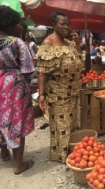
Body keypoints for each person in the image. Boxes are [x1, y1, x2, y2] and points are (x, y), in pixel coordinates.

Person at [35, 11, 84, 163]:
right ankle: (61, 156)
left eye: (67, 23)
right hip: (58, 93)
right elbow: (42, 73)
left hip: (73, 91)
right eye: (62, 23)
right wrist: (41, 95)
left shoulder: (69, 43)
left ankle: (71, 153)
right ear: (53, 25)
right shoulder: (48, 43)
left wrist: (77, 44)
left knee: (72, 123)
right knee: (61, 125)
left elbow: (80, 61)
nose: (66, 27)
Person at [0, 5, 35, 174]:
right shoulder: (16, 42)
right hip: (13, 86)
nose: (20, 26)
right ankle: (18, 165)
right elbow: (28, 69)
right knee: (16, 121)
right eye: (17, 23)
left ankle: (4, 154)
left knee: (1, 119)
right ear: (8, 24)